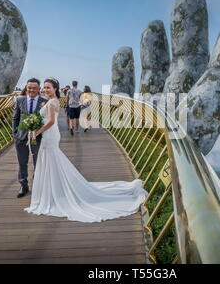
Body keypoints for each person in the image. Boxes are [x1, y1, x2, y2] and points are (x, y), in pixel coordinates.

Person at [24, 77, 147, 222]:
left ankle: (52, 192)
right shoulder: (53, 101)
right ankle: (53, 190)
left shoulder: (51, 102)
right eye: (44, 87)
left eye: (48, 87)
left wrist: (36, 132)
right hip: (51, 135)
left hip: (49, 135)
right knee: (52, 161)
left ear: (55, 89)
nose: (45, 89)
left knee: (50, 160)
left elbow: (50, 121)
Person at [12, 78, 48, 198]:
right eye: (29, 88)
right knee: (22, 162)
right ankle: (23, 185)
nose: (31, 90)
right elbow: (15, 118)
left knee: (38, 162)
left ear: (39, 89)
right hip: (21, 137)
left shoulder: (44, 101)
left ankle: (37, 185)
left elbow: (47, 120)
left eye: (34, 88)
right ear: (26, 88)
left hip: (37, 137)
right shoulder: (19, 100)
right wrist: (15, 133)